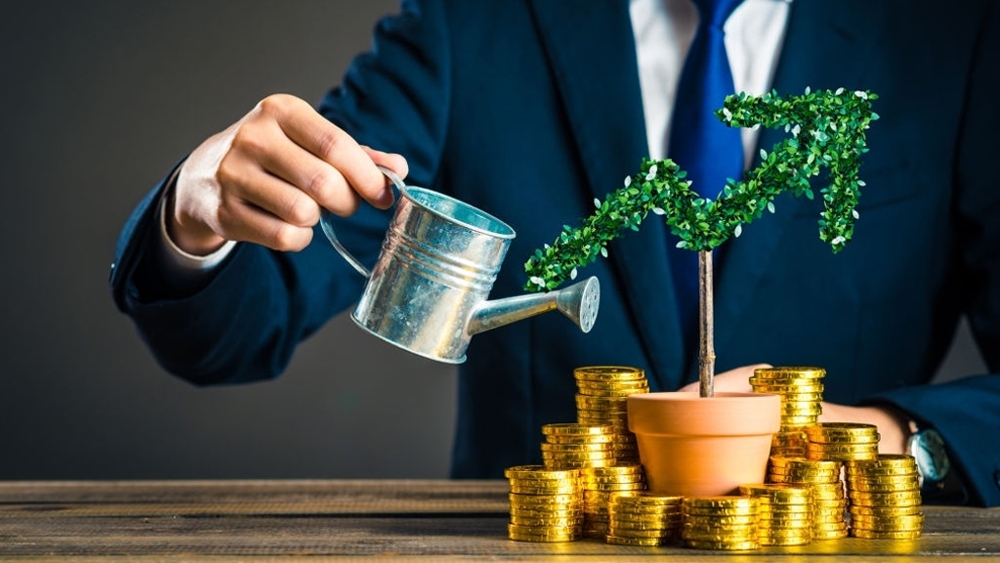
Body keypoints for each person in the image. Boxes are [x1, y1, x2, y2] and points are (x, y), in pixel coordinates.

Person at [110, 0, 1000, 507]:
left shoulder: (953, 34)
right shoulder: (473, 25)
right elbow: (235, 330)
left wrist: (894, 442)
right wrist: (199, 212)